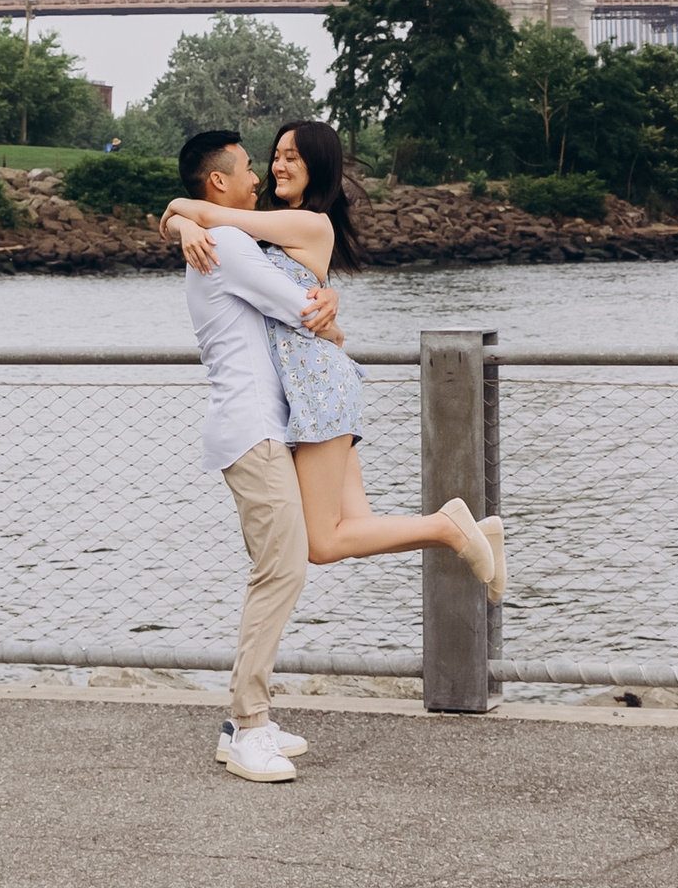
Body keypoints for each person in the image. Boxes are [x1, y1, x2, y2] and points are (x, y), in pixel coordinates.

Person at [166, 118, 506, 617]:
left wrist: (181, 217)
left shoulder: (310, 222)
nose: (277, 165)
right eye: (276, 155)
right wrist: (183, 225)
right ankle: (470, 530)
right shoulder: (269, 226)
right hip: (317, 385)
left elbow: (201, 210)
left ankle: (449, 527)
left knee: (322, 543)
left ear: (317, 168)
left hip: (319, 387)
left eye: (293, 158)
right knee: (349, 529)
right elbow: (209, 219)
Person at [172, 123, 348, 784]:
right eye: (248, 168)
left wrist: (180, 218)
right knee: (281, 570)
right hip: (250, 430)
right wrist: (325, 304)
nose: (257, 178)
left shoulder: (216, 236)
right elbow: (305, 309)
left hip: (252, 427)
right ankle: (247, 726)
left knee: (279, 566)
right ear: (218, 182)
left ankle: (248, 723)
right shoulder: (230, 243)